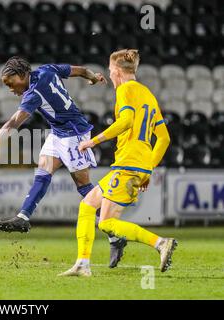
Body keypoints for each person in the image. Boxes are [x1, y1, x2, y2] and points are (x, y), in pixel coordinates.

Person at [0, 56, 127, 267]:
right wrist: (92, 77)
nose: (10, 88)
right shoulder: (46, 69)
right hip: (59, 132)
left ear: (22, 75)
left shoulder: (34, 93)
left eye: (10, 82)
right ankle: (23, 217)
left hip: (74, 134)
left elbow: (13, 123)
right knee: (43, 167)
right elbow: (76, 69)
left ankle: (116, 234)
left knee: (84, 188)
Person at [59, 49, 177, 277]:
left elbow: (126, 121)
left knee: (107, 223)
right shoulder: (148, 94)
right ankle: (82, 263)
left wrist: (93, 141)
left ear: (117, 71)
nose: (110, 76)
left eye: (110, 71)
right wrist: (148, 168)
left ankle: (161, 243)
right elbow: (164, 138)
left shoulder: (125, 90)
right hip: (137, 164)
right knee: (87, 205)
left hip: (128, 164)